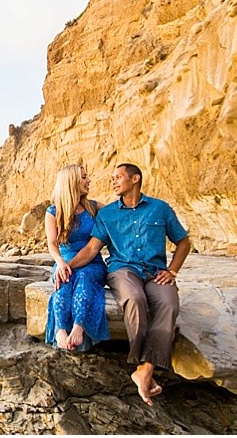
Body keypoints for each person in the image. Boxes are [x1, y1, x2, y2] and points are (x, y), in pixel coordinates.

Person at [66, 163, 191, 407]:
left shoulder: (160, 209)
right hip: (122, 270)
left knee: (169, 304)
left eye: (118, 177)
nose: (113, 181)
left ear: (135, 179)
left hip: (155, 272)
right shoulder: (107, 214)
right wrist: (67, 267)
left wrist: (172, 270)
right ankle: (141, 364)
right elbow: (92, 249)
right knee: (135, 298)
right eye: (112, 178)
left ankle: (145, 370)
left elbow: (183, 242)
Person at [44, 164, 109, 351]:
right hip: (64, 260)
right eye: (84, 177)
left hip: (92, 263)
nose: (89, 180)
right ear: (72, 181)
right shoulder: (53, 212)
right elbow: (52, 244)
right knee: (63, 280)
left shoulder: (94, 207)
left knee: (83, 277)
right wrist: (60, 263)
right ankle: (60, 330)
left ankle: (79, 327)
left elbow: (118, 215)